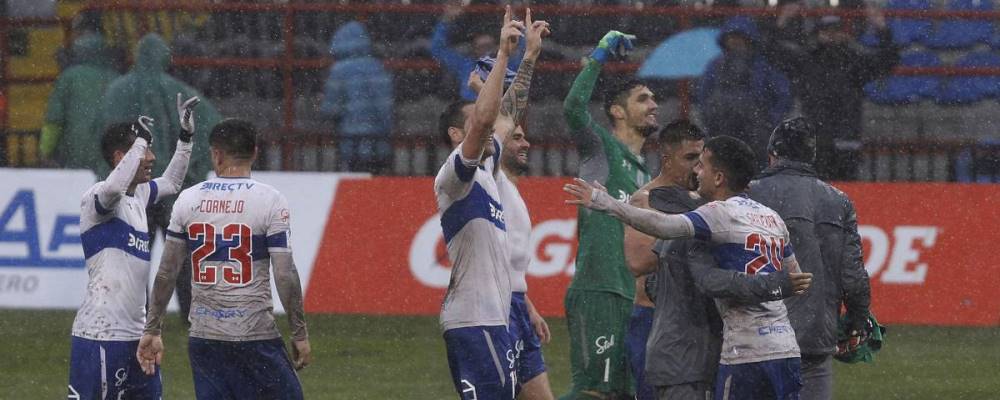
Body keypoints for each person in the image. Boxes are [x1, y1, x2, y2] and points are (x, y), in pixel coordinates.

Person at [564, 135, 807, 400]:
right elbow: (794, 277)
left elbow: (664, 226)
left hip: (745, 353)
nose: (696, 171)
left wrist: (606, 202)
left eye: (702, 165)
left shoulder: (718, 213)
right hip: (786, 349)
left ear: (719, 178)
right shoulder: (773, 218)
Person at [136, 119, 311, 399]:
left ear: (216, 154)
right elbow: (285, 274)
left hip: (205, 337)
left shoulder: (188, 200)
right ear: (254, 152)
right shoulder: (270, 200)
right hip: (255, 335)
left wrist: (153, 328)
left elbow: (167, 272)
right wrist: (299, 333)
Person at [68, 101, 199, 399]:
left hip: (138, 337)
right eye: (144, 152)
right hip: (101, 335)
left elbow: (172, 181)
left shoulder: (139, 196)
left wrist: (186, 138)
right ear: (120, 158)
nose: (150, 157)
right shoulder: (97, 198)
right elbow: (113, 189)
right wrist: (140, 140)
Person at [96, 33, 223, 326]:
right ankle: (191, 315)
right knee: (180, 256)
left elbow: (99, 135)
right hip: (173, 192)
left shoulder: (116, 91)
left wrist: (108, 176)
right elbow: (214, 129)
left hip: (130, 190)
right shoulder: (182, 91)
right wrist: (193, 172)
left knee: (132, 253)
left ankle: (135, 313)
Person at [434, 7, 528, 399]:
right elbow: (490, 119)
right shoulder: (454, 175)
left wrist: (531, 55)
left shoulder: (487, 169)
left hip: (493, 316)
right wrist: (504, 56)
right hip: (474, 319)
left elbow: (505, 117)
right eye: (475, 121)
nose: (486, 125)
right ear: (458, 133)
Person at [561, 29, 656, 400]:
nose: (653, 105)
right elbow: (572, 107)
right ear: (618, 111)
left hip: (628, 299)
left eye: (654, 99)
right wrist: (599, 53)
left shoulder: (645, 175)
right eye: (643, 99)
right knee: (593, 393)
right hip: (598, 287)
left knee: (620, 394)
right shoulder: (602, 148)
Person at [749, 118, 872, 400]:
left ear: (772, 155)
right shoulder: (838, 201)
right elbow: (853, 276)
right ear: (811, 156)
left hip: (756, 335)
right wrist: (856, 322)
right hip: (813, 338)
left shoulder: (748, 194)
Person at [468, 11, 556, 399]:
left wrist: (529, 304)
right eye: (515, 137)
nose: (524, 142)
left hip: (515, 303)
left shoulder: (508, 186)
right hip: (494, 308)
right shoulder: (481, 172)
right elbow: (501, 117)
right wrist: (527, 58)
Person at [763, 4, 899, 180]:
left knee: (844, 188)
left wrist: (882, 29)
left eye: (836, 30)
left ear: (844, 34)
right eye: (827, 31)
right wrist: (781, 22)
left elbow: (888, 60)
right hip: (821, 139)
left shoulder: (854, 60)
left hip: (844, 136)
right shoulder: (808, 60)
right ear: (818, 34)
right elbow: (771, 51)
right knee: (825, 190)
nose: (831, 35)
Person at [622, 120, 705, 400]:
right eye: (690, 158)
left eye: (702, 158)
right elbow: (638, 261)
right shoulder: (643, 200)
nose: (697, 166)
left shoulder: (701, 199)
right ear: (667, 159)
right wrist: (686, 237)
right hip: (652, 320)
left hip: (695, 319)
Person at [697, 16, 791, 168]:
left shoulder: (762, 67)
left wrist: (771, 119)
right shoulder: (715, 66)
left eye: (740, 37)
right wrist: (709, 115)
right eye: (732, 37)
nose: (735, 42)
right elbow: (703, 95)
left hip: (755, 131)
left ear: (750, 40)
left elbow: (782, 94)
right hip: (722, 127)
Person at [320, 21, 394, 174]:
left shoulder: (339, 70)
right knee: (376, 183)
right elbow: (386, 107)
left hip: (351, 140)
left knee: (355, 180)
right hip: (378, 141)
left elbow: (331, 109)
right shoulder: (377, 67)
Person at [40, 32, 120, 171]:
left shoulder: (68, 78)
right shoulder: (116, 78)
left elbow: (54, 121)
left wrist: (45, 151)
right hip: (109, 155)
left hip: (75, 152)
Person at [432, 1, 523, 100]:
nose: (485, 51)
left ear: (495, 48)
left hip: (496, 110)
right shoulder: (465, 65)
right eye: (480, 47)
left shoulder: (506, 65)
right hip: (470, 110)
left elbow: (525, 48)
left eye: (488, 47)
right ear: (474, 49)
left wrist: (513, 19)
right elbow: (438, 49)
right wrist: (447, 20)